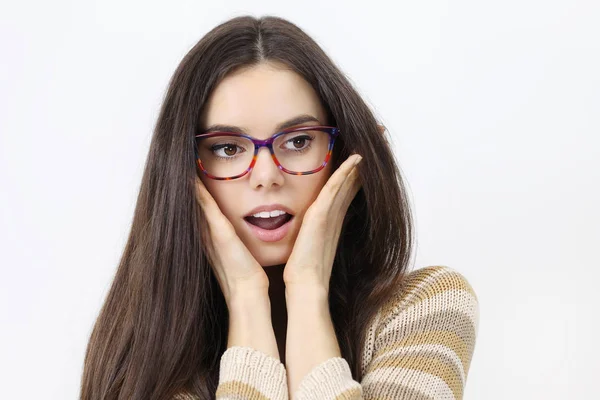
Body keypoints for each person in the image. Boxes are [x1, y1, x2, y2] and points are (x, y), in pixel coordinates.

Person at [80, 15, 479, 400]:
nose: (266, 175)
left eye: (299, 141)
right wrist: (246, 299)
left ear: (342, 155)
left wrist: (307, 291)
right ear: (182, 172)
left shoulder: (427, 306)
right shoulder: (143, 361)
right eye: (227, 148)